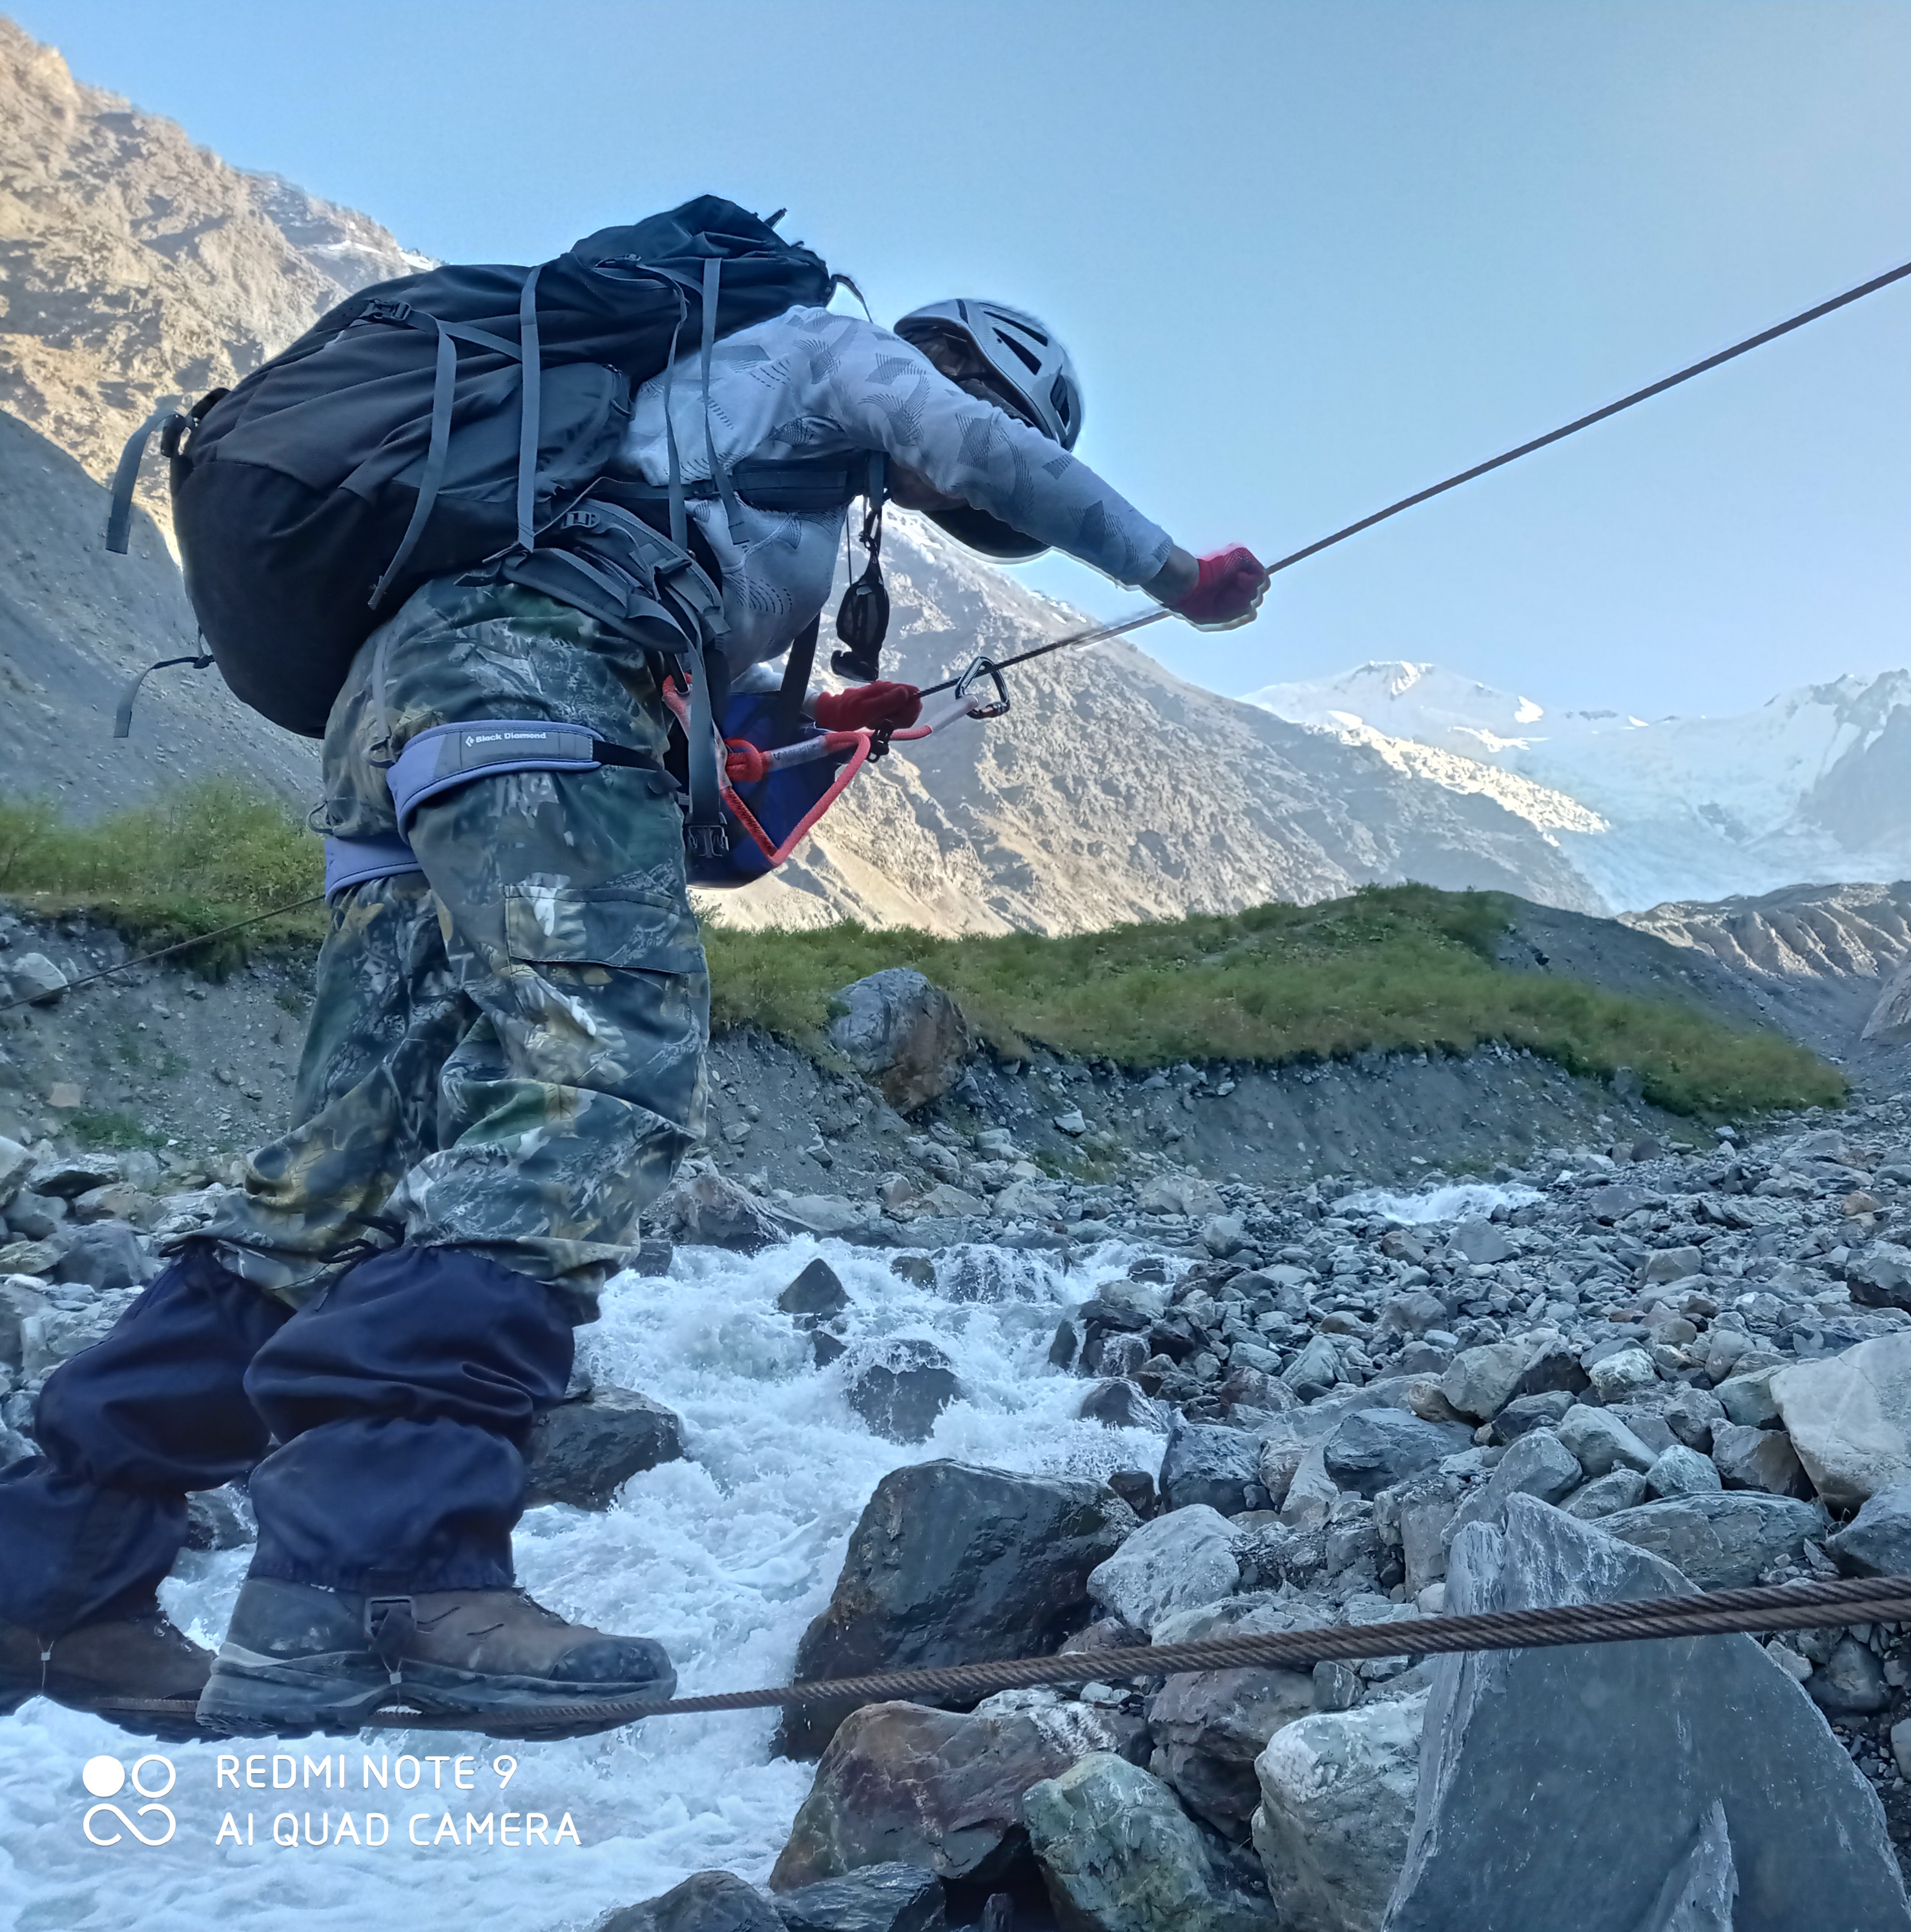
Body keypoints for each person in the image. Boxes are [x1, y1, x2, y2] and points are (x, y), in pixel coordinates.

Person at [0, 285, 1267, 1740]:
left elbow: (695, 789)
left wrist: (830, 733)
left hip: (409, 719)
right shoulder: (822, 353)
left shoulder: (699, 447)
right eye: (970, 426)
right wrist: (1179, 575)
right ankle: (381, 1572)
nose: (942, 489)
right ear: (968, 373)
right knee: (593, 1083)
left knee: (331, 1187)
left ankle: (55, 1572)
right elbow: (974, 458)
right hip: (527, 694)